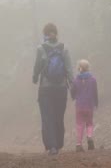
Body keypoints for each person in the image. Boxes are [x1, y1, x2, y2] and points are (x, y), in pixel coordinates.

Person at [32, 23, 73, 155]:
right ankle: (59, 143)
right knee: (58, 116)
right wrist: (73, 84)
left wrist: (35, 77)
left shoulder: (41, 48)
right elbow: (69, 69)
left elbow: (37, 66)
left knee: (47, 116)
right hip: (61, 88)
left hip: (45, 88)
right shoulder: (64, 48)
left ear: (45, 34)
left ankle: (52, 146)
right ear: (56, 33)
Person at [70, 59, 98, 152]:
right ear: (88, 68)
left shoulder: (75, 80)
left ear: (79, 68)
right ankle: (89, 137)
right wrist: (96, 103)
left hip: (79, 106)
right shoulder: (93, 79)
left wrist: (73, 96)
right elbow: (95, 92)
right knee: (89, 123)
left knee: (79, 125)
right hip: (89, 105)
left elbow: (73, 93)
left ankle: (78, 144)